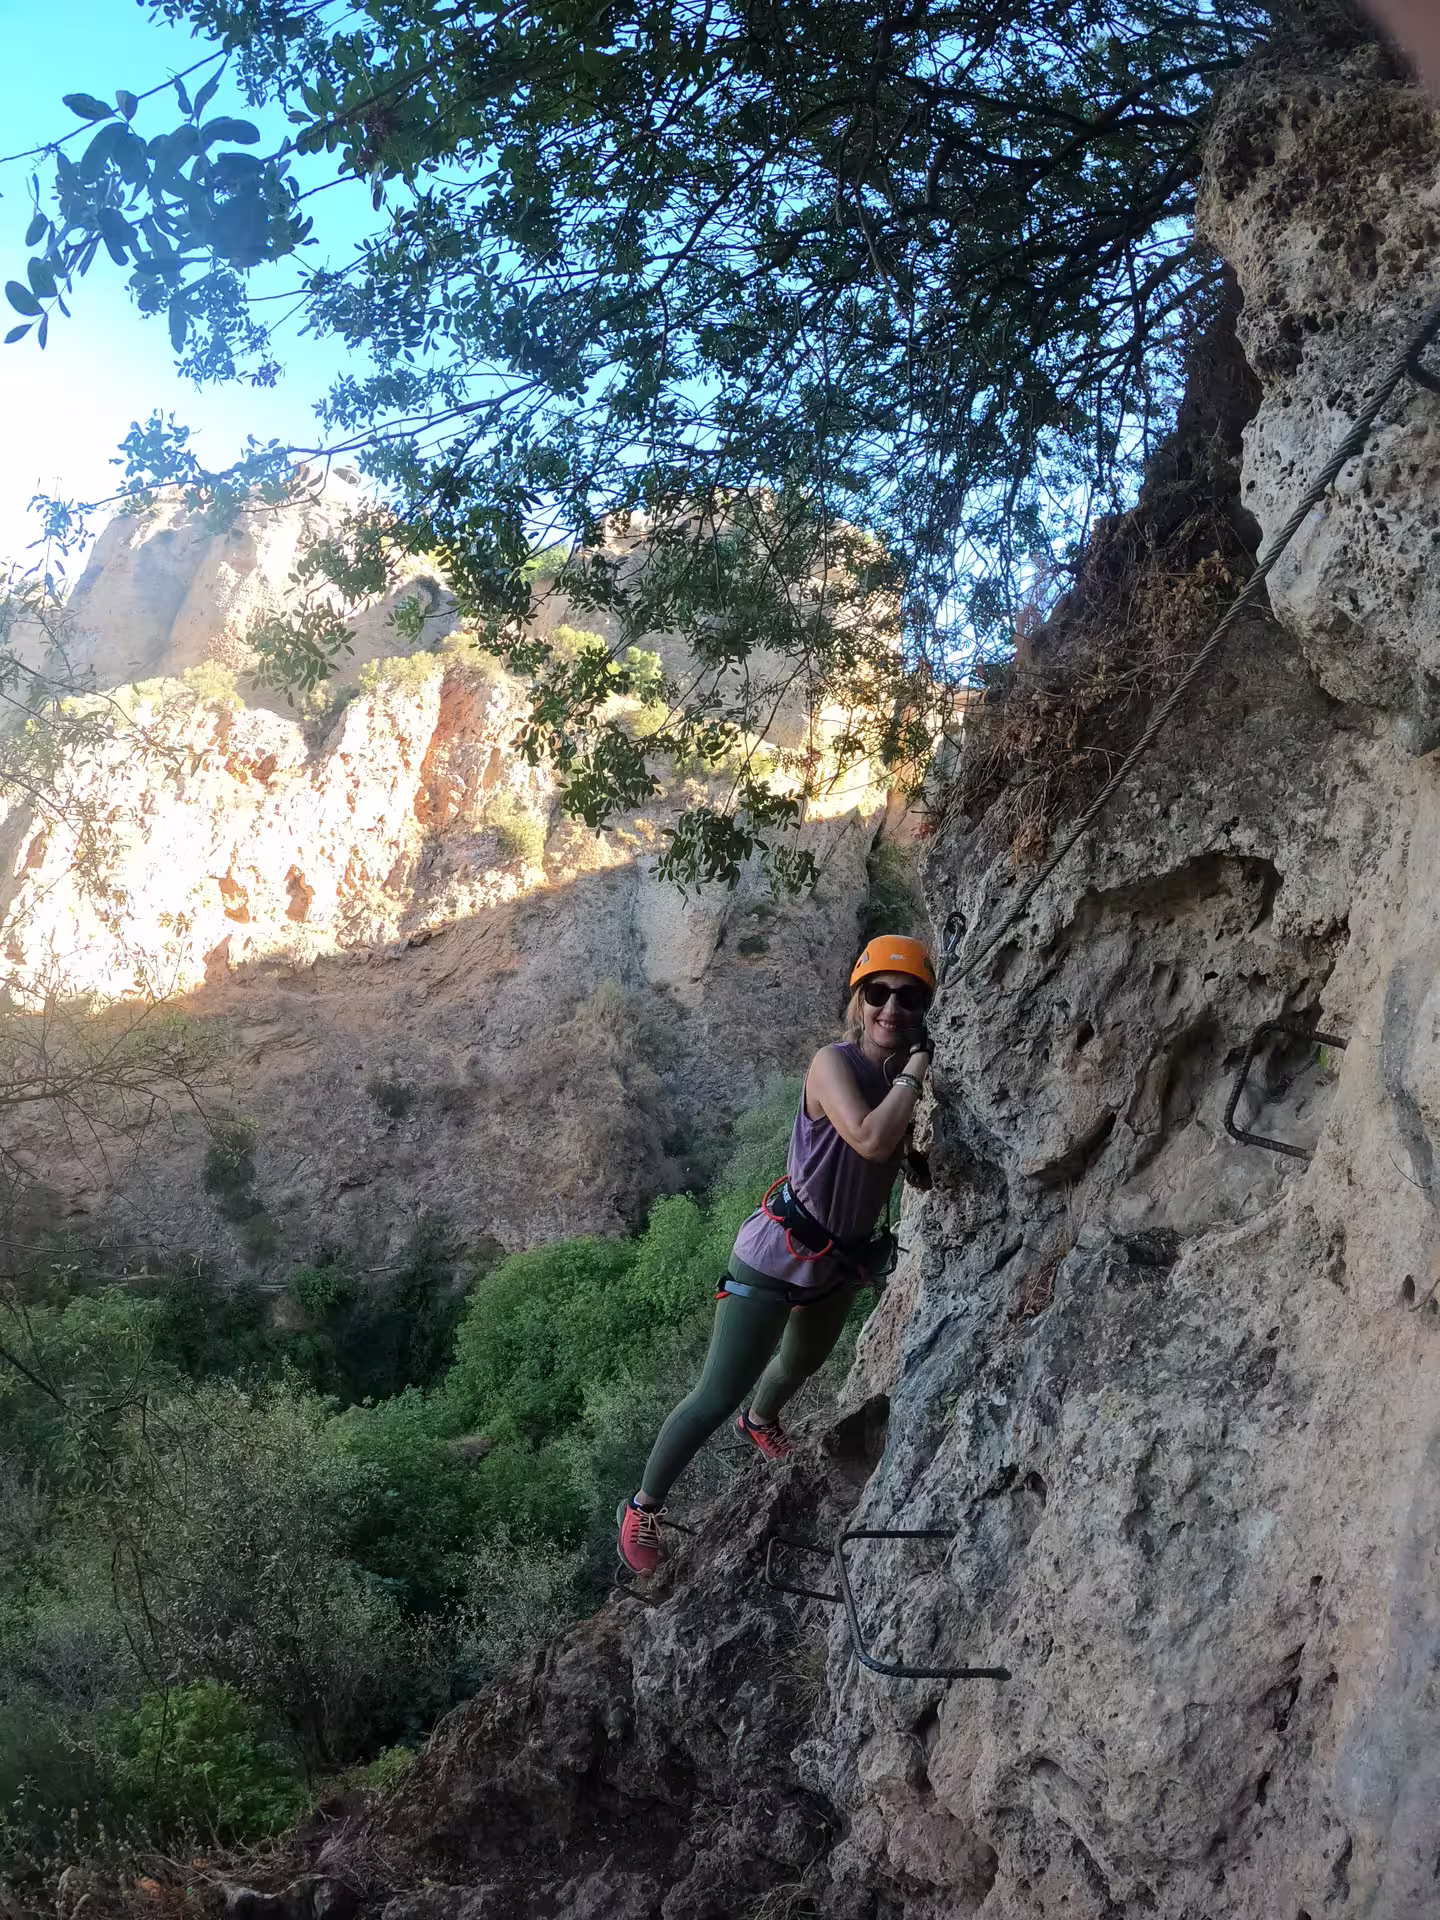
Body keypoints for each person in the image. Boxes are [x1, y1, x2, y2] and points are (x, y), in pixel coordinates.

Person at [617, 934, 937, 1575]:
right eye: (878, 993)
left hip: (840, 1260)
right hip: (776, 1253)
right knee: (715, 1393)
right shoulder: (833, 1064)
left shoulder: (900, 1079)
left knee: (800, 1364)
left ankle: (761, 1421)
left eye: (908, 997)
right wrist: (916, 1074)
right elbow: (873, 1138)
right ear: (859, 1000)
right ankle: (642, 1509)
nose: (891, 1009)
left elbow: (902, 1162)